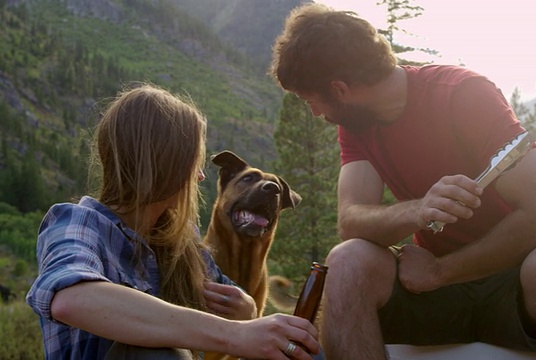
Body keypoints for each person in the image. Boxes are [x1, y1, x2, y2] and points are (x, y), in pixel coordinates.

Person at [269, 3, 536, 360]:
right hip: (431, 294)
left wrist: (441, 271)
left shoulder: (463, 94)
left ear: (340, 89)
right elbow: (351, 220)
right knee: (347, 262)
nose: (316, 112)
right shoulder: (356, 124)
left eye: (310, 100)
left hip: (512, 285)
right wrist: (417, 211)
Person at [26, 83, 320, 360]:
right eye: (195, 163)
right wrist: (234, 333)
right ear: (167, 164)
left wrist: (247, 309)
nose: (201, 177)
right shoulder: (77, 223)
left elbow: (237, 302)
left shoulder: (183, 244)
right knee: (157, 353)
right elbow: (71, 299)